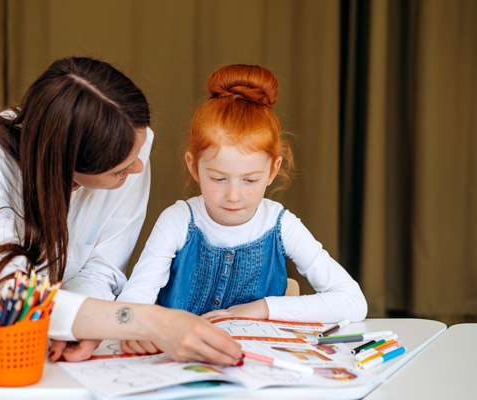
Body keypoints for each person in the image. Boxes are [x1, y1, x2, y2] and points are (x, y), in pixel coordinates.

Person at [0, 57, 241, 365]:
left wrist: (86, 325)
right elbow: (5, 293)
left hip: (63, 328)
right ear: (66, 163)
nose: (137, 167)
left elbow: (102, 267)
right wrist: (152, 321)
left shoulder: (130, 141)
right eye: (120, 171)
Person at [114, 64, 367, 355]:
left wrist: (261, 309)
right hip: (179, 362)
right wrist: (134, 324)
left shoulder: (282, 226)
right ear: (193, 166)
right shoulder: (178, 221)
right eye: (218, 179)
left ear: (273, 171)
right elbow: (136, 298)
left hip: (257, 365)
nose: (233, 196)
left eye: (250, 180)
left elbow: (353, 301)